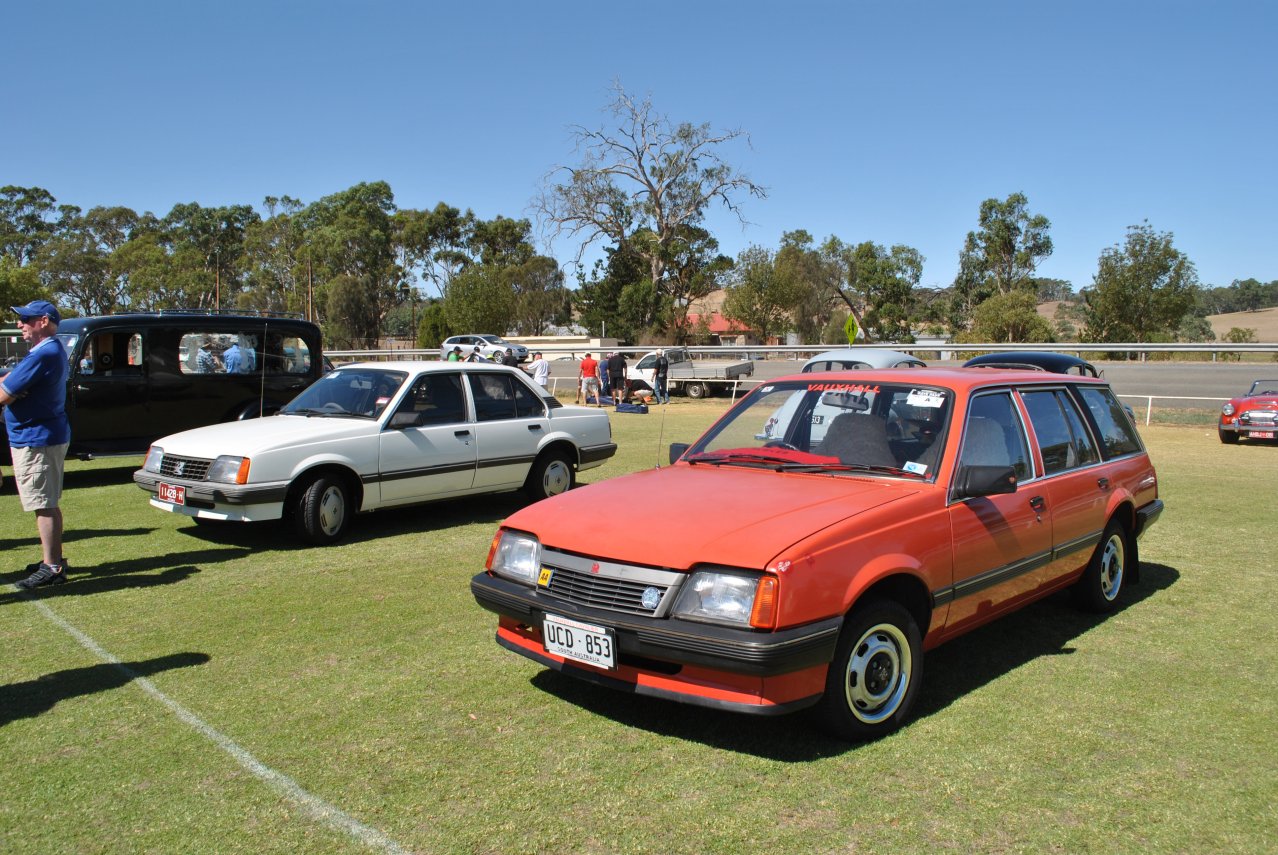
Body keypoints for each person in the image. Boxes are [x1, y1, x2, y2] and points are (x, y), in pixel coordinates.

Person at [3, 300, 72, 589]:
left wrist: (10, 390)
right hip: (40, 436)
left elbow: (3, 394)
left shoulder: (44, 353)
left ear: (43, 321)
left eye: (26, 319)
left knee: (43, 504)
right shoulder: (47, 351)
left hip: (37, 439)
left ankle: (52, 566)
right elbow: (10, 383)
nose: (20, 324)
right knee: (46, 502)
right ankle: (53, 558)